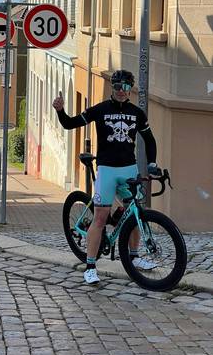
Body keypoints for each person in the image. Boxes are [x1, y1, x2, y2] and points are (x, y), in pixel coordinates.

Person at [52, 69, 159, 284]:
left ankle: (134, 256)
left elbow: (150, 140)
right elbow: (70, 124)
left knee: (135, 214)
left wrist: (152, 165)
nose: (121, 91)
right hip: (107, 169)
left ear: (130, 89)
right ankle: (90, 266)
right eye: (118, 86)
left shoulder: (137, 113)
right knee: (100, 218)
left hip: (129, 169)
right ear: (113, 87)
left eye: (126, 87)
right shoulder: (100, 109)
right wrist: (60, 111)